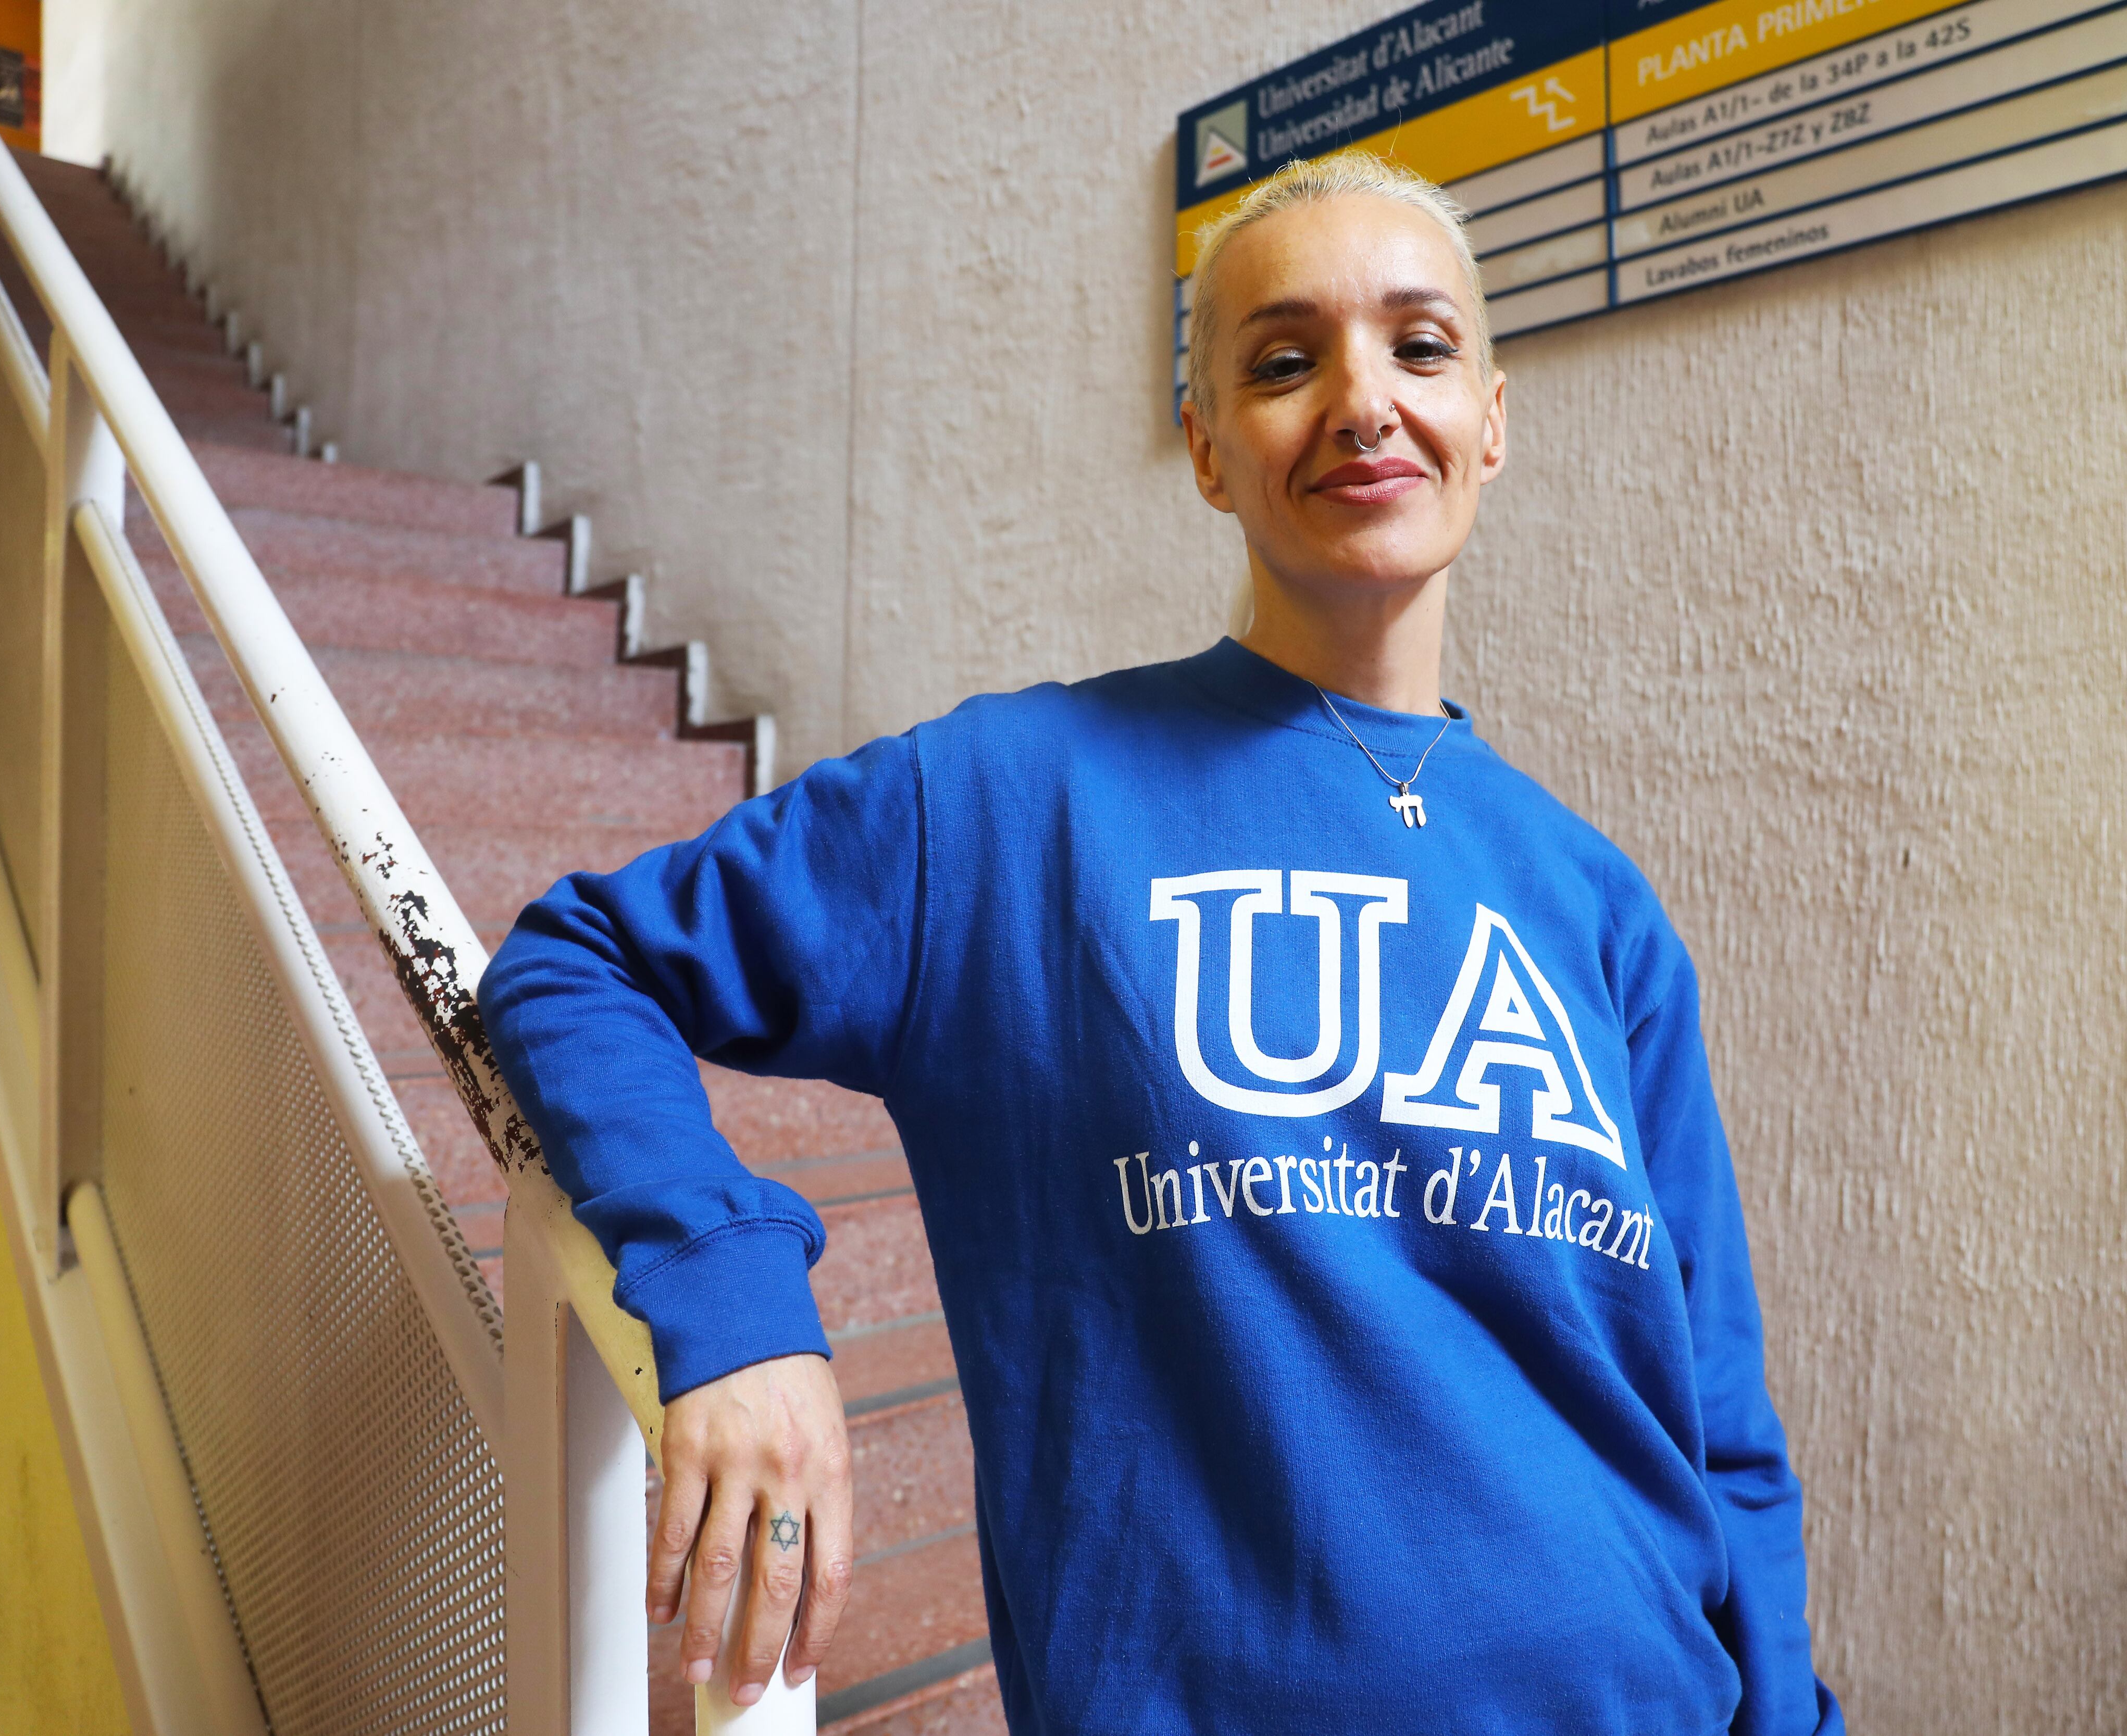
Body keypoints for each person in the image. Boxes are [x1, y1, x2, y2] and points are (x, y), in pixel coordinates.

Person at [478, 153, 1843, 1734]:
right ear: (1207, 447)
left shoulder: (1598, 901)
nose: (1361, 400)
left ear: (1493, 419)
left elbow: (1716, 1419)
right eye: (1285, 360)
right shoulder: (1004, 804)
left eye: (1420, 346)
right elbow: (577, 961)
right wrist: (731, 1295)